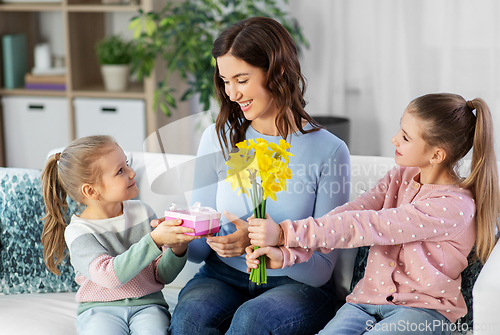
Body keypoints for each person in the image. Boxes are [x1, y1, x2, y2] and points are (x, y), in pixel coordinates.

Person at [246, 93, 500, 335]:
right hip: (365, 301)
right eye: (400, 129)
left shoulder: (454, 206)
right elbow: (350, 214)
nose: (394, 139)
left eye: (406, 137)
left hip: (423, 312)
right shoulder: (400, 176)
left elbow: (369, 225)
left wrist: (283, 233)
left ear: (437, 154)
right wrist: (288, 253)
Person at [168, 17, 351, 335]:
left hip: (296, 283)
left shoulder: (329, 151)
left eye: (241, 79)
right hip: (221, 276)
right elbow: (198, 253)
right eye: (225, 80)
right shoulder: (218, 138)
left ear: (278, 71)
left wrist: (267, 244)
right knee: (189, 322)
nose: (232, 93)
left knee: (252, 320)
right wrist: (179, 238)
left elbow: (322, 270)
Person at [41, 135, 199, 335]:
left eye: (127, 164)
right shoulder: (78, 232)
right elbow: (109, 276)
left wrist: (177, 247)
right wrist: (154, 240)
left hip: (149, 306)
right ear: (91, 191)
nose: (132, 173)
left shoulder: (143, 212)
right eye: (120, 171)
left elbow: (162, 275)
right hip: (99, 310)